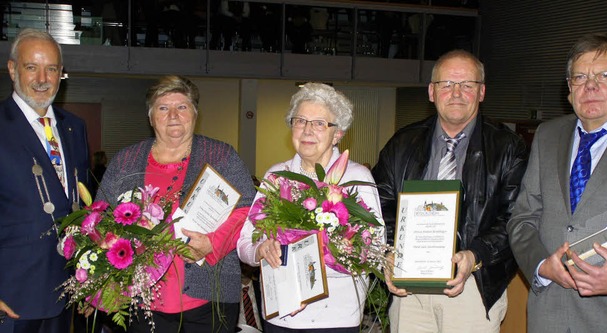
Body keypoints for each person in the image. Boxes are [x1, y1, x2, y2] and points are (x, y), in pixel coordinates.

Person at [372, 49, 528, 333]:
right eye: (446, 84)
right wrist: (392, 251)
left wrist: (474, 254)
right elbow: (379, 204)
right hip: (410, 293)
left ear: (481, 92)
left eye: (467, 85)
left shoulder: (508, 147)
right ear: (432, 92)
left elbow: (516, 217)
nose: (456, 93)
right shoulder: (402, 143)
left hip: (472, 287)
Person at [96, 75, 256, 333]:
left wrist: (212, 244)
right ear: (150, 117)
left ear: (195, 113)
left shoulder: (222, 156)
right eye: (163, 108)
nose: (173, 115)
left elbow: (247, 208)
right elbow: (101, 216)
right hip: (142, 301)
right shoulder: (125, 161)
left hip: (209, 298)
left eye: (182, 107)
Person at [507, 33, 607, 332]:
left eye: (604, 75)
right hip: (548, 316)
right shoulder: (547, 135)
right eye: (580, 77)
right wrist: (541, 266)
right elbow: (523, 217)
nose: (590, 85)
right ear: (569, 89)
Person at [237, 82, 385, 332]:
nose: (307, 130)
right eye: (300, 121)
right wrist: (261, 249)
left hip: (336, 317)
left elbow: (375, 248)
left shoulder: (356, 178)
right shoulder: (276, 175)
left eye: (319, 123)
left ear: (337, 134)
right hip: (280, 315)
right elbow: (244, 243)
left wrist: (330, 253)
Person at [0, 28, 91, 333]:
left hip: (66, 296)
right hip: (11, 297)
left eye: (51, 68)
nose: (43, 78)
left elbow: (82, 209)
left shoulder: (74, 128)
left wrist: (90, 280)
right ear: (13, 69)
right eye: (31, 67)